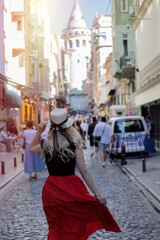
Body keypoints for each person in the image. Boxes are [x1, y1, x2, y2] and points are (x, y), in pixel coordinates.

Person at [30, 108, 121, 239]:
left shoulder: (46, 144)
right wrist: (97, 194)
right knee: (73, 227)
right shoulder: (74, 143)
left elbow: (32, 148)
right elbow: (84, 171)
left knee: (56, 226)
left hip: (52, 190)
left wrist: (39, 131)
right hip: (72, 188)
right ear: (68, 126)